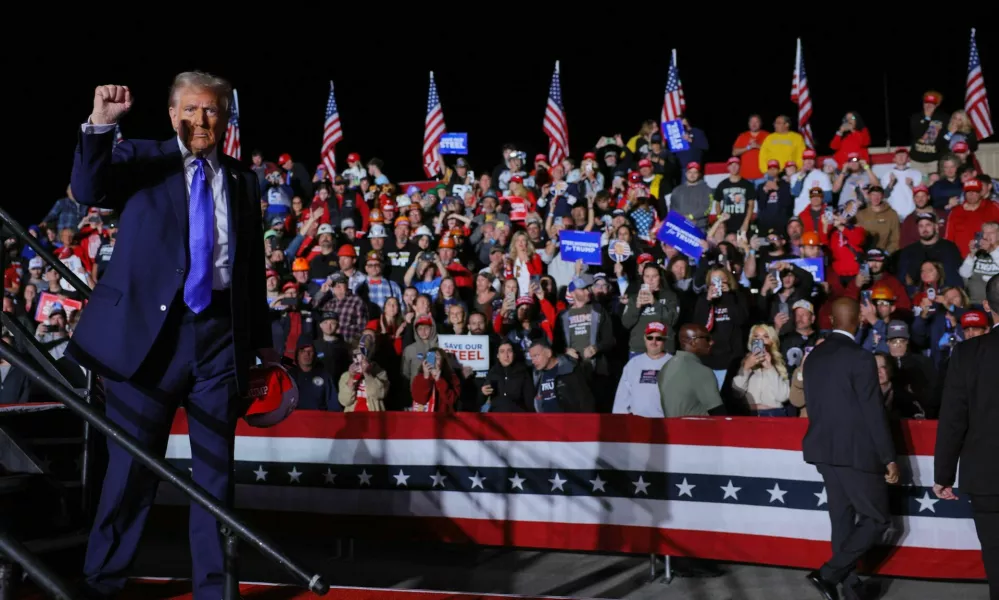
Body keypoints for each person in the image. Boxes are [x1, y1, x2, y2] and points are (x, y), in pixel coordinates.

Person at [68, 73, 274, 599]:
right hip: (146, 342)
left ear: (226, 118)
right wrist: (100, 126)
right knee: (130, 471)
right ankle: (102, 582)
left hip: (220, 342)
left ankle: (214, 589)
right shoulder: (142, 159)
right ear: (171, 114)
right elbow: (90, 191)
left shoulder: (244, 180)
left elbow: (249, 270)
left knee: (214, 477)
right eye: (189, 110)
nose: (200, 120)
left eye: (211, 111)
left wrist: (263, 345)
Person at [801, 297, 899, 600]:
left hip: (823, 450)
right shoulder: (860, 357)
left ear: (830, 321)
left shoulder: (814, 356)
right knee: (877, 519)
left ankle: (851, 589)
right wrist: (888, 457)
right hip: (856, 452)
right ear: (859, 321)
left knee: (842, 519)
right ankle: (829, 574)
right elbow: (873, 411)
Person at [934, 275, 999, 595]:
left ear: (988, 307)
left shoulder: (967, 353)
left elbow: (953, 420)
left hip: (987, 478)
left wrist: (943, 474)